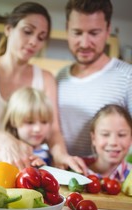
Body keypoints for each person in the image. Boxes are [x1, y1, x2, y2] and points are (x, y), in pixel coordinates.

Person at [0, 1, 87, 181]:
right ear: (9, 29)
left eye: (41, 37)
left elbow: (53, 131)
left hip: (22, 172)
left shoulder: (46, 78)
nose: (34, 41)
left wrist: (61, 155)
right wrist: (6, 141)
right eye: (27, 31)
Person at [57, 0, 132, 161]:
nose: (84, 43)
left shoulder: (128, 77)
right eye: (77, 33)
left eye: (94, 33)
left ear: (107, 30)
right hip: (63, 177)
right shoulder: (60, 78)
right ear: (67, 30)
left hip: (111, 182)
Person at [0, 87, 53, 177]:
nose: (38, 129)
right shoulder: (7, 146)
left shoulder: (47, 152)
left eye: (44, 122)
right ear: (13, 122)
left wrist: (41, 169)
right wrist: (7, 154)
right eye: (30, 122)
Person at [85, 104, 132, 182]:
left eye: (121, 135)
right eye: (105, 134)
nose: (113, 142)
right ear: (93, 138)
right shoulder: (77, 171)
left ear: (131, 138)